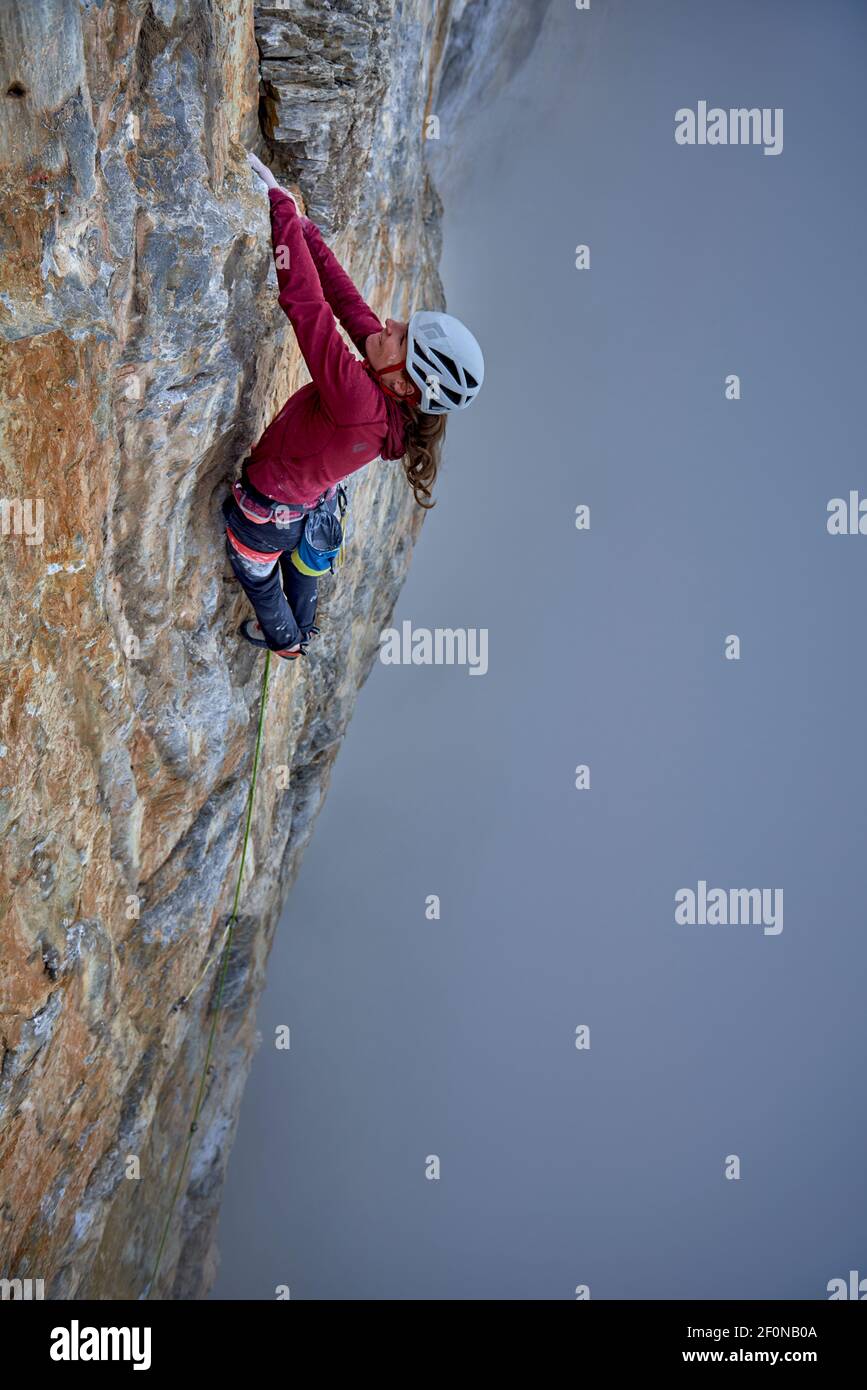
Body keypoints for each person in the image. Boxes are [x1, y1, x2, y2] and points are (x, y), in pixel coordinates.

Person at [223, 149, 485, 661]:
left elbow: (307, 308)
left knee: (256, 573)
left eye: (403, 336)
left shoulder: (361, 399)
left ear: (408, 384)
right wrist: (300, 222)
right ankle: (307, 605)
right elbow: (345, 301)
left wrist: (281, 214)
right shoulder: (391, 385)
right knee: (299, 552)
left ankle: (287, 641)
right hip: (301, 504)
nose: (390, 324)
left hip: (263, 512)